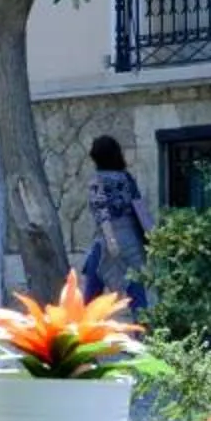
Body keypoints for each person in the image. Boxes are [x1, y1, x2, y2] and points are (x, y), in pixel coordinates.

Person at [79, 133, 154, 312]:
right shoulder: (127, 179)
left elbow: (102, 213)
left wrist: (111, 241)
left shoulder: (96, 181)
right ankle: (143, 335)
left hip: (105, 239)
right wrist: (152, 236)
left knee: (92, 294)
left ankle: (83, 335)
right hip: (131, 239)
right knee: (137, 292)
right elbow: (140, 209)